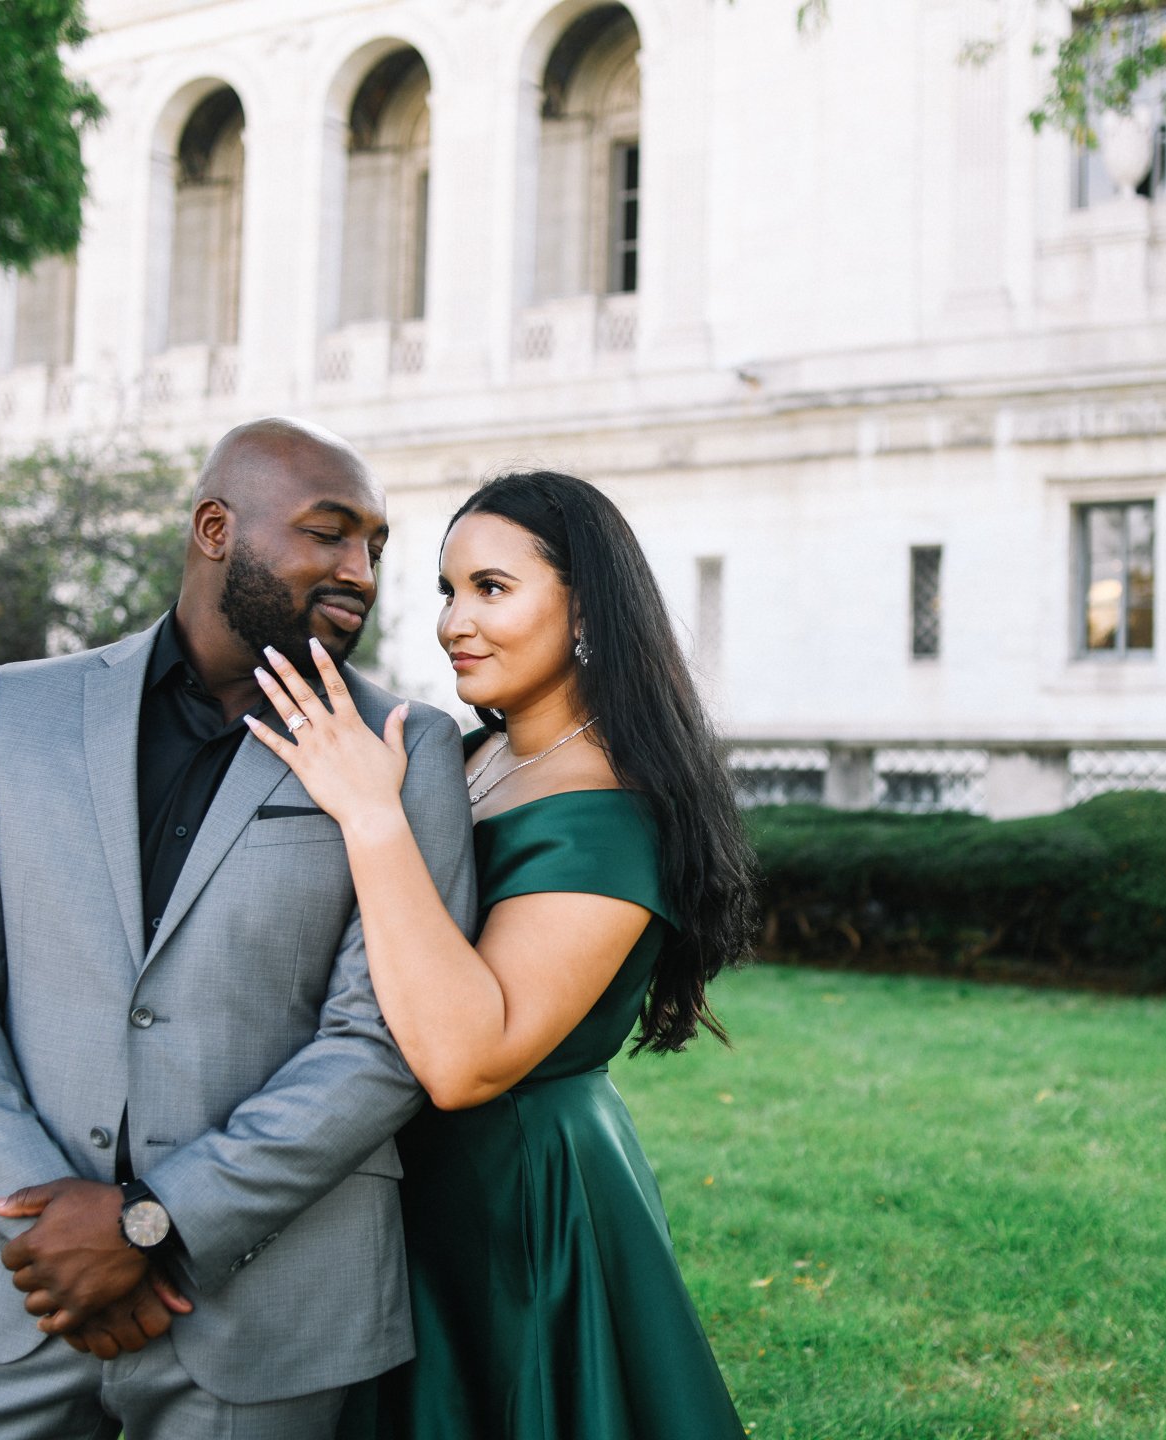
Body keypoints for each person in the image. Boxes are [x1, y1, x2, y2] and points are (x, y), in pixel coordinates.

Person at [0, 417, 477, 1438]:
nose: (363, 572)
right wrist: (44, 1218)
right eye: (330, 533)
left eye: (376, 546)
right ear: (215, 527)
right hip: (11, 1285)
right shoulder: (16, 712)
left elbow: (382, 1039)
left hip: (267, 1310)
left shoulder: (405, 748)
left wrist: (155, 1224)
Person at [244, 470, 760, 1439]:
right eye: (446, 590)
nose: (453, 622)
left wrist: (370, 815)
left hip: (518, 1202)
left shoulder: (612, 811)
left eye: (491, 588)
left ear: (586, 609)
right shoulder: (471, 759)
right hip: (402, 1185)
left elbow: (467, 1060)